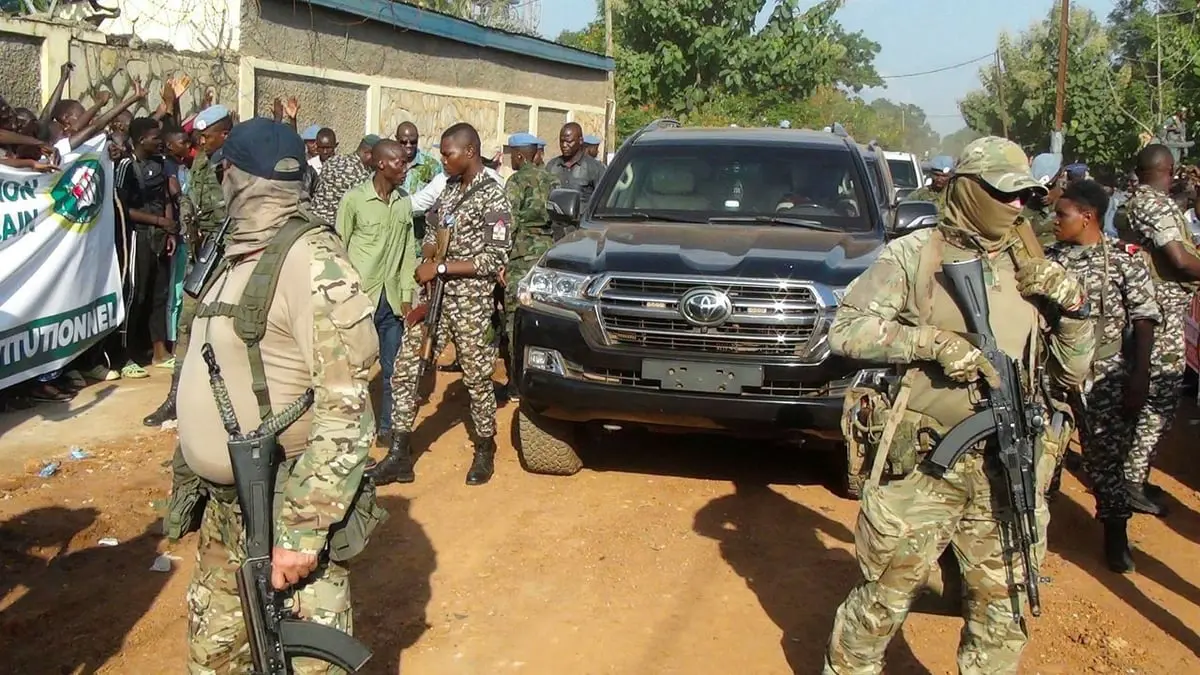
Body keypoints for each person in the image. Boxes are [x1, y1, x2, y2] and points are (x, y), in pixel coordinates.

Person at [822, 137, 1095, 674]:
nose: (1018, 207)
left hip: (1009, 469)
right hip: (925, 467)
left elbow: (1071, 372)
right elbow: (846, 331)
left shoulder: (1036, 267)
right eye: (1004, 193)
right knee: (882, 599)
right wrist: (931, 343)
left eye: (1026, 197)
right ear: (970, 191)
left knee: (1003, 614)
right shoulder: (916, 255)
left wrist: (1074, 309)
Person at [175, 117, 380, 672]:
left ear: (231, 176)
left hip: (285, 511)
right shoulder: (231, 250)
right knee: (217, 659)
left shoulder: (311, 260)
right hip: (226, 513)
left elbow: (348, 409)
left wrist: (302, 532)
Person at [371, 122, 513, 487]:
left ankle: (485, 447)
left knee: (477, 377)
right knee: (406, 368)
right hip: (434, 297)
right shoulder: (447, 190)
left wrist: (443, 266)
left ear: (469, 152)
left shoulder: (494, 196)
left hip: (471, 302)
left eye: (447, 154)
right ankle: (400, 454)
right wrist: (431, 254)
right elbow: (434, 229)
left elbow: (495, 257)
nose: (443, 160)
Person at [1046, 179, 1158, 573]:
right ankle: (1038, 530)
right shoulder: (1050, 259)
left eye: (1063, 213)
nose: (1054, 218)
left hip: (1104, 374)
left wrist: (1140, 374)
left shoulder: (1125, 259)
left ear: (1088, 217)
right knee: (1044, 454)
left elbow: (1144, 320)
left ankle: (1115, 535)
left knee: (1105, 460)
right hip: (1055, 371)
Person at [1118, 143, 1200, 515]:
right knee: (1160, 400)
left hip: (1146, 309)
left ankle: (1131, 473)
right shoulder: (1157, 205)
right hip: (1162, 315)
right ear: (1169, 169)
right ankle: (1131, 481)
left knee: (1141, 393)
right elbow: (1180, 260)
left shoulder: (1133, 203)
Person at [143, 104, 232, 427]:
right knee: (187, 323)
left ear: (224, 134)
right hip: (203, 255)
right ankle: (176, 397)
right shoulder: (202, 161)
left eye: (206, 136)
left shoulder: (235, 163)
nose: (201, 142)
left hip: (231, 256)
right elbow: (192, 199)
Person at [335, 139, 419, 446]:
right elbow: (338, 249)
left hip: (393, 301)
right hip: (360, 300)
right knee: (354, 371)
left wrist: (407, 297)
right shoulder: (354, 200)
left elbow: (409, 251)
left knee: (393, 370)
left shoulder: (404, 202)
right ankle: (351, 429)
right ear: (381, 164)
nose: (405, 167)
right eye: (399, 162)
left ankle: (388, 429)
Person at [497, 132, 559, 402]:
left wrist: (500, 261)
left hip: (520, 258)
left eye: (512, 154)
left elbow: (506, 223)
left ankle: (516, 384)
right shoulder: (554, 180)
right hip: (548, 259)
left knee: (515, 320)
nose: (511, 159)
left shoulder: (516, 181)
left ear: (520, 155)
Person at [116, 116, 176, 371]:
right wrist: (158, 221)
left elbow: (165, 198)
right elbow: (121, 208)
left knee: (159, 293)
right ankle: (125, 355)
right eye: (155, 138)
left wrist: (170, 230)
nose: (160, 142)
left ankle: (159, 351)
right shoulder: (126, 167)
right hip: (137, 237)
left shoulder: (160, 164)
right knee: (135, 295)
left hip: (160, 238)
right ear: (142, 140)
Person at [309, 134, 378, 225]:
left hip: (312, 220)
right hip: (332, 227)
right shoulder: (361, 175)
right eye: (378, 157)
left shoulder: (334, 160)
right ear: (368, 153)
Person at [546, 122, 606, 209]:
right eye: (562, 141)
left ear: (580, 140)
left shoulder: (594, 167)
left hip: (581, 220)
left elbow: (603, 199)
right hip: (555, 221)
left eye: (569, 142)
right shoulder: (552, 166)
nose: (564, 145)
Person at [395, 121, 443, 195]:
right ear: (396, 139)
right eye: (404, 142)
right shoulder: (391, 163)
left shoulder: (432, 165)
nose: (409, 145)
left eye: (413, 142)